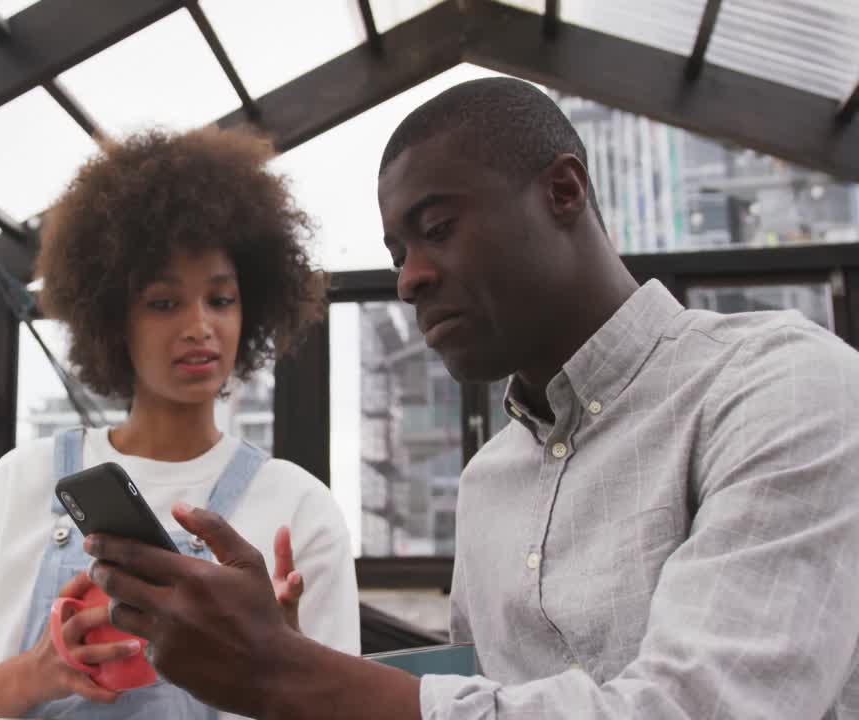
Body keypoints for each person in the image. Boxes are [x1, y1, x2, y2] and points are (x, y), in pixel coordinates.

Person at [84, 77, 859, 719]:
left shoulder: (780, 387)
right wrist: (297, 663)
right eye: (397, 253)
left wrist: (287, 673)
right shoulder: (487, 483)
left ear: (563, 190)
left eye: (438, 228)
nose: (409, 278)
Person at [0, 126, 359, 720]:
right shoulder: (20, 483)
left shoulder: (298, 508)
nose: (200, 326)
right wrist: (39, 673)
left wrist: (284, 669)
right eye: (165, 303)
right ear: (112, 318)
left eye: (220, 300)